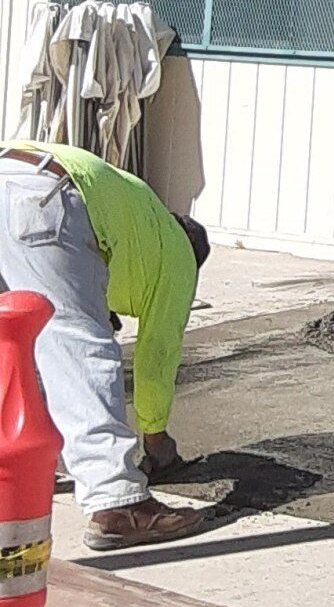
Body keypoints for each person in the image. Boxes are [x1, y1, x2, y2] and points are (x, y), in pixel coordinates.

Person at [0, 141, 211, 550]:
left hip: (16, 171)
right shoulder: (178, 256)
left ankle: (17, 468)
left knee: (15, 342)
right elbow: (157, 357)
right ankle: (118, 503)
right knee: (79, 348)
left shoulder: (141, 215)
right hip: (40, 198)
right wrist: (158, 444)